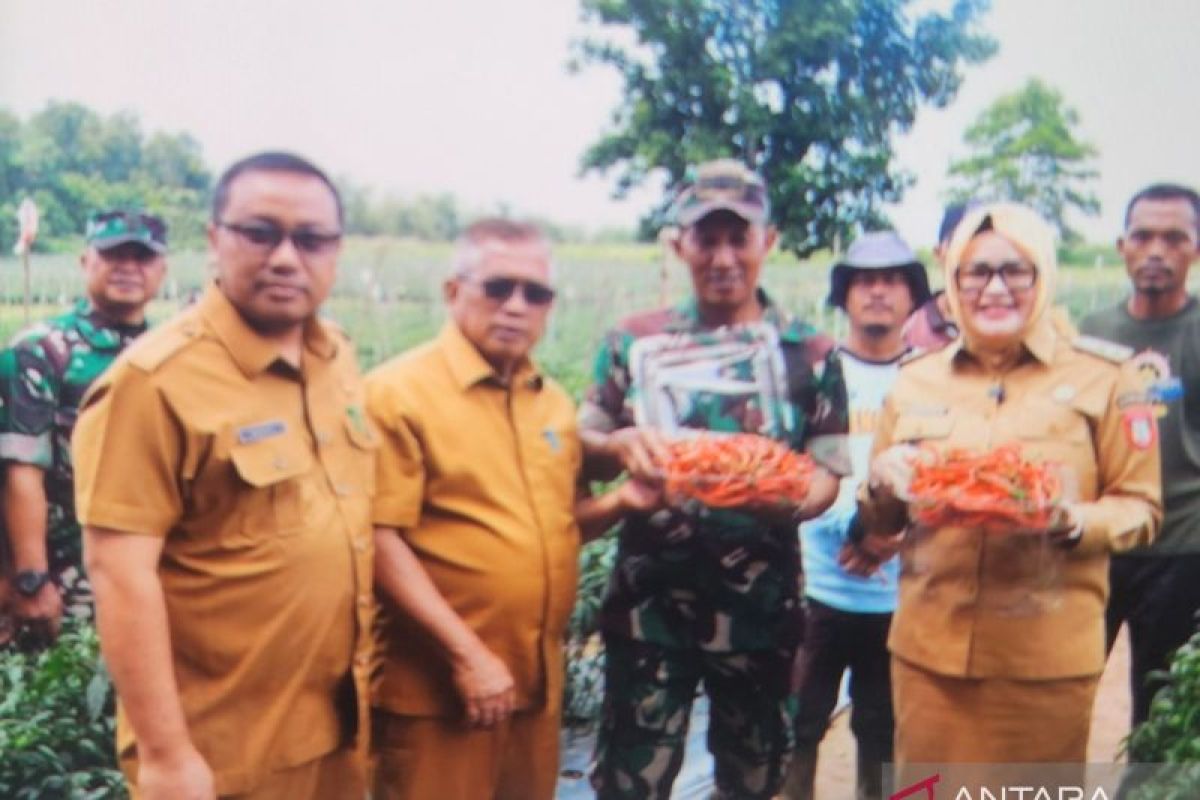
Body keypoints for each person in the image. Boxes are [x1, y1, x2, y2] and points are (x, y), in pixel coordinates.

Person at [72, 152, 373, 799]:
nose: (287, 258)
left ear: (337, 251)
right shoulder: (152, 384)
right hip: (223, 749)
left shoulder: (336, 356)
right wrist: (167, 756)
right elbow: (120, 575)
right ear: (214, 241)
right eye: (260, 233)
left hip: (337, 727)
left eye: (312, 239)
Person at [847, 202, 1161, 778]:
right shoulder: (915, 379)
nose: (995, 288)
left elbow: (1141, 507)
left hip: (1044, 662)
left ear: (1043, 275)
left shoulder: (1106, 378)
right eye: (976, 271)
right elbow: (882, 524)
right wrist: (880, 484)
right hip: (929, 657)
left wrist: (1072, 521)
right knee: (927, 791)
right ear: (953, 281)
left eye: (1016, 270)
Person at [580, 159, 851, 800]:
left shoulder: (809, 353)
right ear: (679, 245)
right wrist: (619, 448)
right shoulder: (632, 342)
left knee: (754, 780)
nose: (723, 257)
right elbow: (580, 451)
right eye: (707, 238)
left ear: (769, 242)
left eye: (740, 237)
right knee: (630, 781)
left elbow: (828, 474)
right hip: (650, 612)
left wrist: (778, 492)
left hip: (760, 614)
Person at [366, 218, 655, 800]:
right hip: (438, 692)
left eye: (536, 293)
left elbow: (554, 530)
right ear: (454, 292)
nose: (517, 306)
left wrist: (623, 500)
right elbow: (375, 539)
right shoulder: (397, 394)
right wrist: (467, 655)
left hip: (529, 687)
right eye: (497, 288)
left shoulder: (546, 401)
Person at [783, 231, 928, 800]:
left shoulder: (930, 378)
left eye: (893, 280)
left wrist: (891, 534)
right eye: (864, 281)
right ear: (843, 296)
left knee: (883, 731)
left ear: (913, 297)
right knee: (799, 725)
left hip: (899, 593)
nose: (878, 292)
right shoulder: (813, 376)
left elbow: (948, 473)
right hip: (815, 587)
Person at [0, 209, 167, 648]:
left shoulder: (172, 354)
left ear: (162, 270)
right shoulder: (43, 351)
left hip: (152, 572)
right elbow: (22, 470)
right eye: (113, 255)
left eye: (142, 257)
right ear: (85, 262)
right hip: (67, 578)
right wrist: (31, 581)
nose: (128, 267)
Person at [1078, 183, 1200, 728]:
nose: (1157, 250)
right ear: (1122, 245)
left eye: (1174, 238)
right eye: (1143, 236)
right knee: (1067, 690)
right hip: (1100, 542)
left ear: (1195, 249)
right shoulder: (1092, 334)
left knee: (1160, 709)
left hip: (1182, 546)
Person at [901, 203, 971, 351]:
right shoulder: (909, 330)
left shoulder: (1019, 324)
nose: (972, 254)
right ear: (939, 254)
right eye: (960, 241)